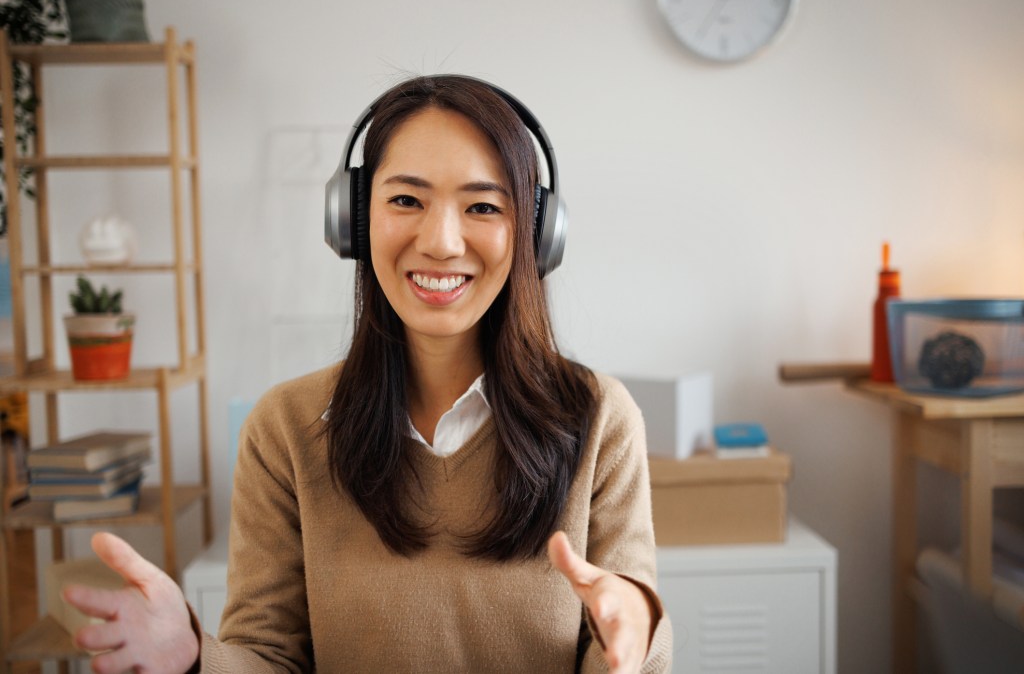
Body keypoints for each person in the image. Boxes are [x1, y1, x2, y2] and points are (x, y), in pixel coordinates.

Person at [63, 74, 673, 674]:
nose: (440, 241)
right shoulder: (285, 430)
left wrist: (637, 628)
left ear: (536, 235)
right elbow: (269, 658)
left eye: (483, 206)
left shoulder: (597, 419)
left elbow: (621, 644)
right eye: (406, 200)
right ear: (352, 219)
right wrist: (199, 660)